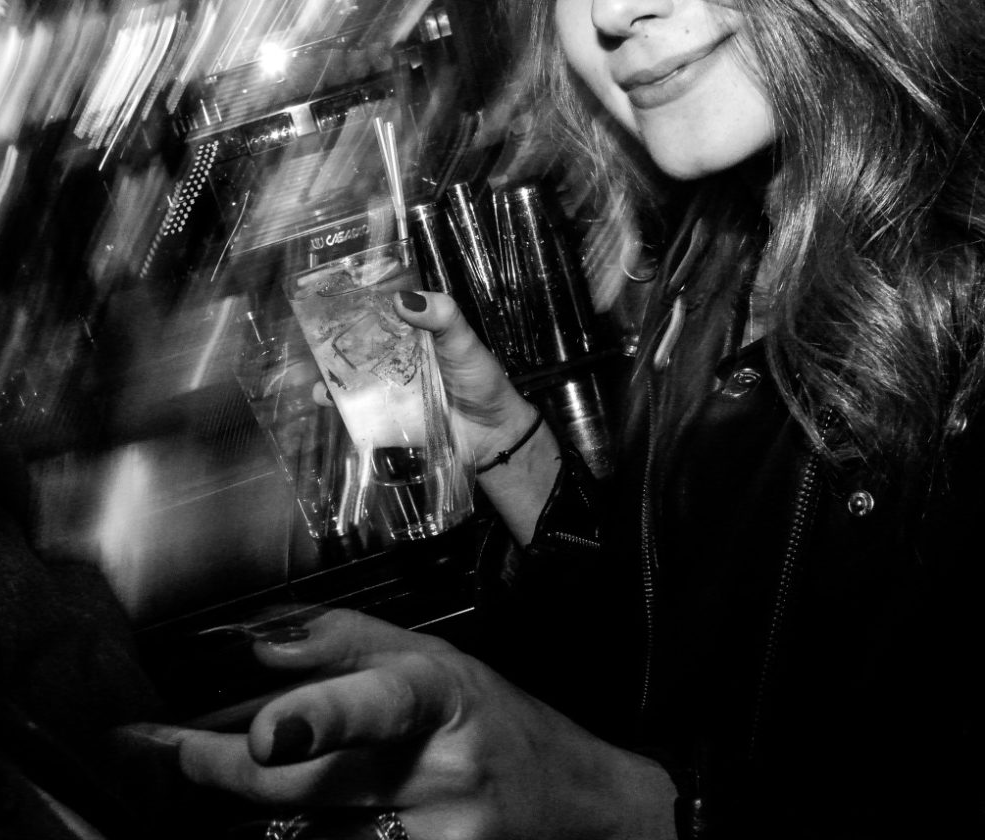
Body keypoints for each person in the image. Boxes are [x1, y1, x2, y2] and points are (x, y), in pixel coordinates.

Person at [123, 0, 985, 837]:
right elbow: (673, 645)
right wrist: (503, 439)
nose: (611, 12)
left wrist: (626, 807)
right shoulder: (718, 259)